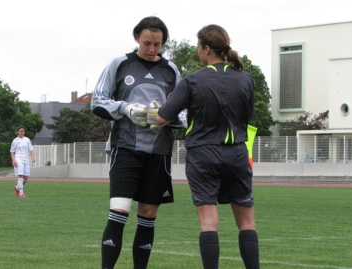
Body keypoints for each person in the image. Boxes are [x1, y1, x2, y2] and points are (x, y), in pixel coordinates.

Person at [156, 24, 260, 269]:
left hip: (203, 155)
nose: (197, 53)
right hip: (236, 153)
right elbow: (247, 117)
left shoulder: (192, 80)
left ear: (206, 48)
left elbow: (162, 117)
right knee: (246, 222)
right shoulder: (246, 79)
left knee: (208, 223)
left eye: (198, 48)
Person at [91, 16, 184, 269]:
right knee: (119, 212)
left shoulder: (171, 70)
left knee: (148, 215)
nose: (152, 49)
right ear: (136, 38)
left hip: (159, 153)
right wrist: (126, 108)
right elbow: (97, 102)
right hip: (125, 149)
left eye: (158, 44)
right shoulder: (120, 64)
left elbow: (184, 112)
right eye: (147, 43)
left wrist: (166, 117)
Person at [10, 126, 35, 198]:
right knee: (20, 174)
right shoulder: (15, 140)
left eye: (23, 131)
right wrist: (13, 160)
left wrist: (33, 157)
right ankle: (21, 193)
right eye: (21, 131)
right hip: (18, 159)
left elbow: (31, 149)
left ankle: (17, 187)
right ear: (17, 132)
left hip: (26, 159)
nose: (22, 132)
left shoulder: (27, 140)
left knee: (26, 177)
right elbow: (12, 151)